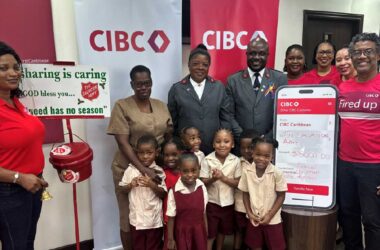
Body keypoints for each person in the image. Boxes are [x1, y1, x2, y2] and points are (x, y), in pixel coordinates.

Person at [107, 65, 172, 250]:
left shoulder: (161, 105)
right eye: (138, 84)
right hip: (127, 169)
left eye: (146, 83)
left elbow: (167, 135)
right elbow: (122, 143)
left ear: (151, 83)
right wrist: (144, 170)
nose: (143, 87)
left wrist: (162, 166)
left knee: (154, 213)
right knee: (129, 216)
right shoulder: (122, 106)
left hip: (156, 170)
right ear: (132, 84)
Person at [0, 41, 48, 250]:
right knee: (16, 246)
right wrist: (19, 178)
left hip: (33, 185)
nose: (13, 73)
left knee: (27, 243)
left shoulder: (16, 103)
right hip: (9, 191)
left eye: (16, 67)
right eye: (3, 68)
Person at [337, 32, 380, 250]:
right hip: (344, 165)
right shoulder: (343, 88)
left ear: (378, 55)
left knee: (373, 222)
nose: (362, 56)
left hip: (374, 167)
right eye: (357, 52)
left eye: (368, 51)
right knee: (348, 218)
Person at [168, 44, 231, 155]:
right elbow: (173, 122)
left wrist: (222, 143)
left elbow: (225, 118)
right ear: (188, 65)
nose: (200, 67)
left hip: (214, 150)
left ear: (209, 66)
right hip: (187, 152)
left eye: (205, 64)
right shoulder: (177, 89)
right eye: (196, 64)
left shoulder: (218, 87)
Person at [226, 37, 288, 141]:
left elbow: (283, 114)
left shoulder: (279, 79)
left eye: (262, 54)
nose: (256, 57)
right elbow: (229, 115)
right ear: (246, 54)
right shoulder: (233, 81)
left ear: (268, 55)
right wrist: (244, 137)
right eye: (252, 53)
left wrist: (268, 138)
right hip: (241, 144)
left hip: (269, 144)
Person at [238, 136, 287, 250]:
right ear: (253, 153)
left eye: (266, 156)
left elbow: (281, 196)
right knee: (255, 245)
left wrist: (269, 215)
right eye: (258, 154)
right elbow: (245, 193)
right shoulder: (247, 171)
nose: (262, 159)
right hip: (254, 218)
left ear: (272, 156)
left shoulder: (277, 173)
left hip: (273, 219)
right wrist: (249, 213)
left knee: (276, 246)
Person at [119, 134, 167, 250]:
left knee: (154, 246)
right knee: (138, 246)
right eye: (141, 153)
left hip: (154, 221)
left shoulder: (158, 172)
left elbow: (163, 194)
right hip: (136, 221)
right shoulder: (130, 170)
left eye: (149, 153)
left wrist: (152, 185)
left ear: (156, 152)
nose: (145, 156)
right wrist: (131, 185)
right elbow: (122, 189)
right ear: (136, 153)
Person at [200, 129, 241, 250]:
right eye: (218, 141)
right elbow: (202, 182)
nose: (222, 145)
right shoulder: (207, 160)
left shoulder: (236, 161)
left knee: (223, 231)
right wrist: (213, 179)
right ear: (213, 144)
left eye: (226, 141)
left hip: (228, 204)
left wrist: (223, 177)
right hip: (212, 203)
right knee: (210, 233)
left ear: (232, 144)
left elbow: (238, 184)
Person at [166, 153, 209, 250]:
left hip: (199, 232)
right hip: (182, 232)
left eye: (194, 170)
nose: (190, 175)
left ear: (199, 169)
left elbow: (204, 212)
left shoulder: (202, 187)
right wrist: (171, 239)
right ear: (179, 171)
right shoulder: (174, 191)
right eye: (185, 171)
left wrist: (206, 231)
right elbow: (171, 217)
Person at [233, 129, 259, 250]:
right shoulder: (237, 162)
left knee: (253, 234)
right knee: (239, 231)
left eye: (250, 148)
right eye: (243, 148)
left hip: (255, 207)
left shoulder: (260, 163)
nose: (246, 151)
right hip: (239, 205)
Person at [162, 138, 182, 250]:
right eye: (166, 155)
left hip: (184, 219)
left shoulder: (187, 174)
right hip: (168, 218)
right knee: (170, 244)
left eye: (174, 154)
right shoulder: (162, 174)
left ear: (181, 153)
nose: (170, 158)